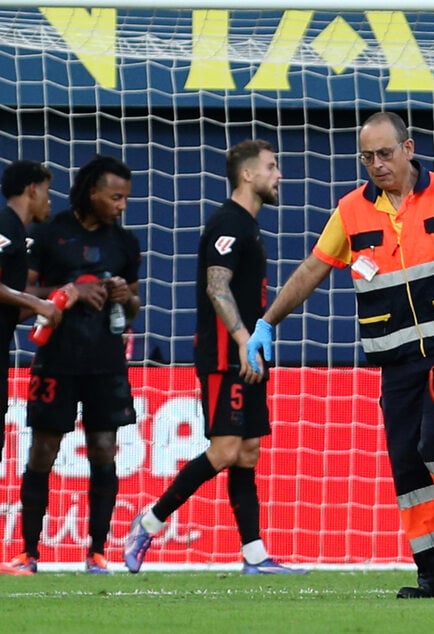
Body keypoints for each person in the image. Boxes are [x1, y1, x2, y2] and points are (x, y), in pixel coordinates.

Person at [245, 112, 434, 598]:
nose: (376, 165)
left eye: (384, 153)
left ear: (409, 148)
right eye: (367, 157)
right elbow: (313, 270)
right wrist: (267, 321)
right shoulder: (351, 211)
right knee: (407, 465)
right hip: (396, 363)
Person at [123, 140, 304, 576]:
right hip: (226, 356)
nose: (279, 175)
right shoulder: (227, 223)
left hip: (248, 353)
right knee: (224, 450)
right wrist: (243, 339)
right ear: (247, 175)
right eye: (272, 167)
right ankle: (148, 523)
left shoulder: (250, 226)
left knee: (248, 452)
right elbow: (216, 287)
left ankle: (255, 555)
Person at [3, 155, 141, 575]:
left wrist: (122, 297)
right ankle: (28, 552)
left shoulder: (125, 243)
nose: (121, 206)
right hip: (56, 360)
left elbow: (134, 307)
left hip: (106, 363)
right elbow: (26, 296)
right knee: (43, 451)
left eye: (125, 199)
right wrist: (74, 289)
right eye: (115, 197)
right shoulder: (48, 234)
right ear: (92, 192)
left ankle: (97, 552)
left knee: (103, 451)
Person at [0, 161, 76, 576]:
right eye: (46, 190)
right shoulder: (6, 226)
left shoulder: (19, 234)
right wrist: (38, 304)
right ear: (31, 190)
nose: (50, 200)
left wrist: (49, 305)